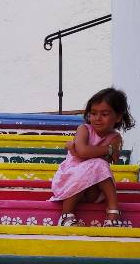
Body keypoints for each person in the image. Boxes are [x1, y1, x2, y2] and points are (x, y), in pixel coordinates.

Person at [51, 87, 135, 226]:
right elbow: (83, 151)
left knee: (100, 165)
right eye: (93, 113)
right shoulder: (84, 129)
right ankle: (66, 215)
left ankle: (113, 212)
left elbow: (112, 160)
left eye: (104, 114)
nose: (97, 118)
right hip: (71, 183)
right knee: (98, 164)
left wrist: (87, 152)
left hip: (94, 190)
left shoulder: (115, 138)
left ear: (118, 117)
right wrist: (107, 149)